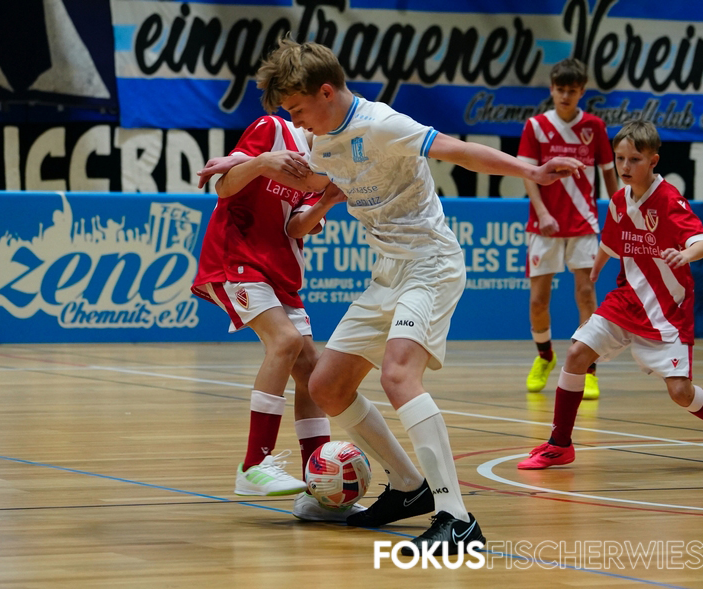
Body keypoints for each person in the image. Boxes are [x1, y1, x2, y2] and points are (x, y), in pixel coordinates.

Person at [206, 36, 583, 556]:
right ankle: (409, 486)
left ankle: (457, 518)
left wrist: (530, 170)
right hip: (388, 273)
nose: (296, 121)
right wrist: (245, 166)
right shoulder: (321, 142)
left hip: (431, 264)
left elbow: (459, 151)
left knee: (398, 374)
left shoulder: (382, 123)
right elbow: (311, 188)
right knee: (327, 385)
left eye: (298, 109)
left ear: (326, 91)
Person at [518, 120, 703, 471]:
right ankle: (560, 444)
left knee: (680, 392)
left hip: (666, 310)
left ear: (653, 161)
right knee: (577, 353)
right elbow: (611, 242)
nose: (625, 167)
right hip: (626, 300)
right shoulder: (619, 200)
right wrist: (597, 267)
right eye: (620, 159)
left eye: (634, 160)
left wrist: (685, 254)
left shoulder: (669, 199)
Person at [191, 114, 359, 523]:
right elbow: (224, 187)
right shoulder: (272, 129)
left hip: (280, 271)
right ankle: (254, 465)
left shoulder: (325, 162)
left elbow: (296, 227)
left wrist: (326, 201)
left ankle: (318, 491)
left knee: (313, 373)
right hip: (236, 257)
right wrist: (263, 162)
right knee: (285, 341)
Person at [518, 58, 619, 400]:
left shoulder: (595, 126)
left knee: (586, 294)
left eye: (572, 91)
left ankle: (588, 368)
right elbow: (528, 174)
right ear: (551, 89)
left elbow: (609, 173)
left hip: (583, 223)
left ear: (582, 92)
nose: (565, 96)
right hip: (544, 226)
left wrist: (619, 211)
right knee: (538, 300)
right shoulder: (536, 126)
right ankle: (545, 356)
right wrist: (543, 213)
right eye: (560, 89)